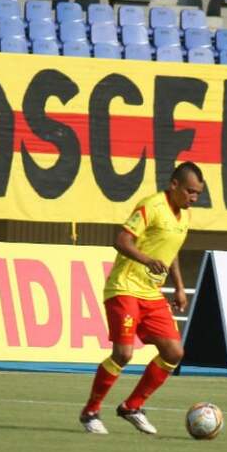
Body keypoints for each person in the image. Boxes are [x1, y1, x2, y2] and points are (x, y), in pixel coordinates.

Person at [79, 162, 205, 435]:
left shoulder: (184, 216)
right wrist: (147, 260)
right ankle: (90, 412)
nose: (193, 198)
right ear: (174, 185)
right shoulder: (151, 206)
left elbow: (170, 253)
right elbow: (122, 241)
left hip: (151, 293)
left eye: (197, 194)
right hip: (124, 288)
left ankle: (132, 406)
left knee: (174, 353)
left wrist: (180, 287)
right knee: (123, 354)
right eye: (190, 192)